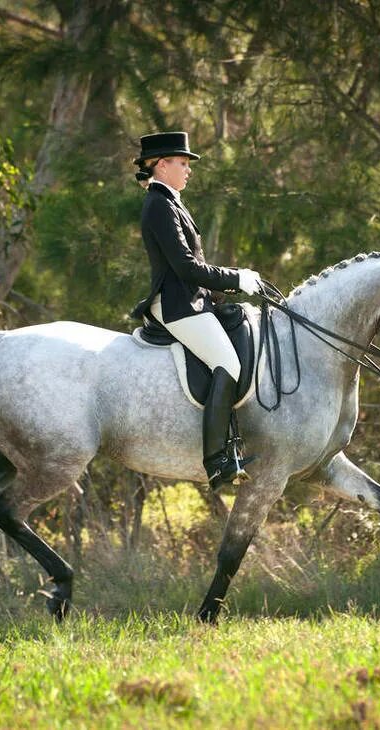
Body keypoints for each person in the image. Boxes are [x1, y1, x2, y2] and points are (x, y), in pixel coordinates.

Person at [131, 131, 262, 490]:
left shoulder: (171, 201)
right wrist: (236, 278)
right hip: (176, 305)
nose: (188, 170)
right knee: (229, 365)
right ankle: (216, 461)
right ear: (161, 165)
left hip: (194, 301)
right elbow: (186, 267)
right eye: (183, 163)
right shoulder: (159, 204)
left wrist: (226, 289)